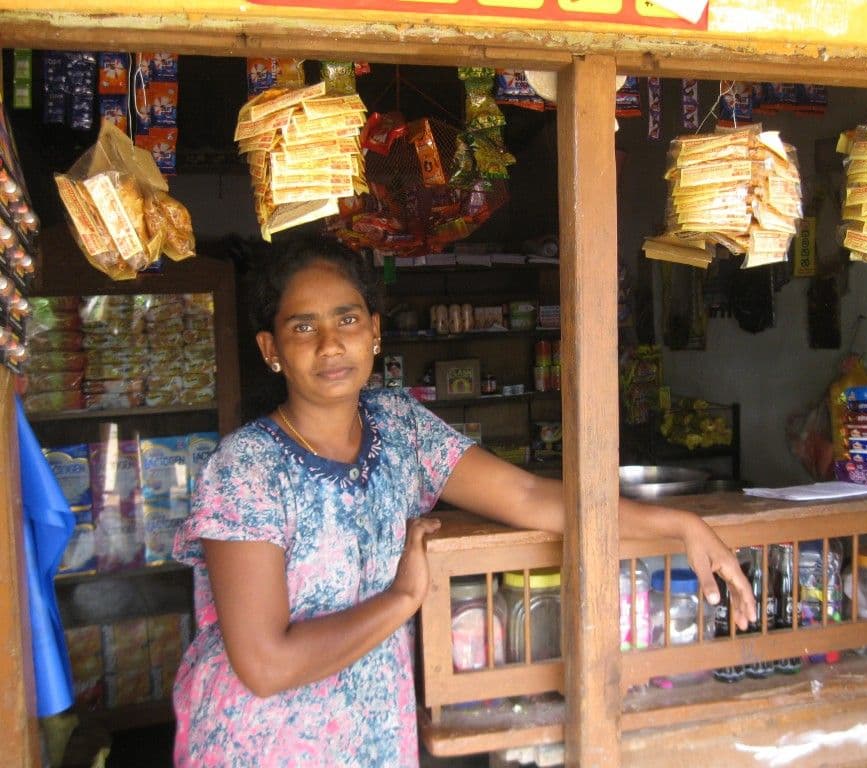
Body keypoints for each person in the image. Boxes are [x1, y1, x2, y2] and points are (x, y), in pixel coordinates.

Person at [171, 238, 756, 767]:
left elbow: (526, 493)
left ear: (374, 329)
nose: (330, 344)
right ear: (271, 348)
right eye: (303, 327)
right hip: (258, 744)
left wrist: (678, 523)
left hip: (373, 734)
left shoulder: (398, 425)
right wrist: (404, 598)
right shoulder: (245, 468)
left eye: (346, 319)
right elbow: (266, 665)